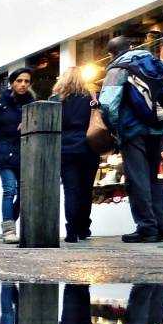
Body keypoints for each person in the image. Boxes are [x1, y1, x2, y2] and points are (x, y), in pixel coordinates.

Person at [100, 35, 163, 242]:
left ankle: (147, 227)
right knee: (152, 177)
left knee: (137, 179)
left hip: (133, 130)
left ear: (110, 53)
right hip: (159, 128)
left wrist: (114, 129)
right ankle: (162, 225)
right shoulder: (154, 62)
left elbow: (107, 104)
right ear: (130, 46)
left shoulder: (118, 68)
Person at [0, 67, 35, 244]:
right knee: (9, 189)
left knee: (24, 192)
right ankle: (9, 230)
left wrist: (27, 125)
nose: (23, 84)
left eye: (26, 81)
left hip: (25, 153)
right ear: (12, 83)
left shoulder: (32, 104)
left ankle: (11, 221)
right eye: (19, 81)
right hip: (4, 153)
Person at [51, 66, 100, 243]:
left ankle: (71, 231)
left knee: (71, 190)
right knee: (86, 190)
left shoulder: (56, 100)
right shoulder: (91, 98)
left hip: (65, 149)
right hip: (89, 147)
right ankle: (83, 228)